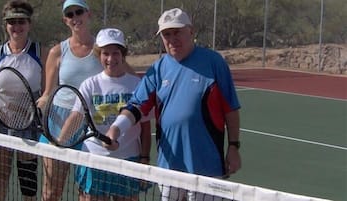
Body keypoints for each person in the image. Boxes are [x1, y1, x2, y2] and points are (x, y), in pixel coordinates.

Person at [103, 8, 242, 201]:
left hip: (207, 167)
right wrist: (115, 130)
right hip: (169, 168)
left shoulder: (214, 62)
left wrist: (234, 147)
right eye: (166, 34)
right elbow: (136, 106)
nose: (172, 39)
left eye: (177, 32)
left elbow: (231, 109)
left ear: (191, 32)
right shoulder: (158, 69)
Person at [35, 1, 136, 200]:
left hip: (93, 125)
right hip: (61, 122)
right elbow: (48, 92)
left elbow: (131, 77)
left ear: (88, 14)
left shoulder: (104, 50)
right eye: (70, 14)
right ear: (65, 20)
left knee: (87, 192)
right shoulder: (57, 52)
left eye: (78, 11)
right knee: (50, 192)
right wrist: (42, 103)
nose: (75, 17)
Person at [65, 28, 151, 201]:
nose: (111, 59)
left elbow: (145, 127)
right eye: (105, 53)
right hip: (93, 158)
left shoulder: (137, 85)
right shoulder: (90, 84)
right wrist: (58, 142)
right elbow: (76, 116)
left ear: (123, 54)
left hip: (128, 161)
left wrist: (144, 158)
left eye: (116, 53)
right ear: (99, 55)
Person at [0, 1, 47, 200]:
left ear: (29, 24)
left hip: (29, 126)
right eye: (12, 22)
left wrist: (35, 110)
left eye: (21, 21)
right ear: (6, 25)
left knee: (27, 182)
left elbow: (47, 92)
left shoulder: (40, 53)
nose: (17, 27)